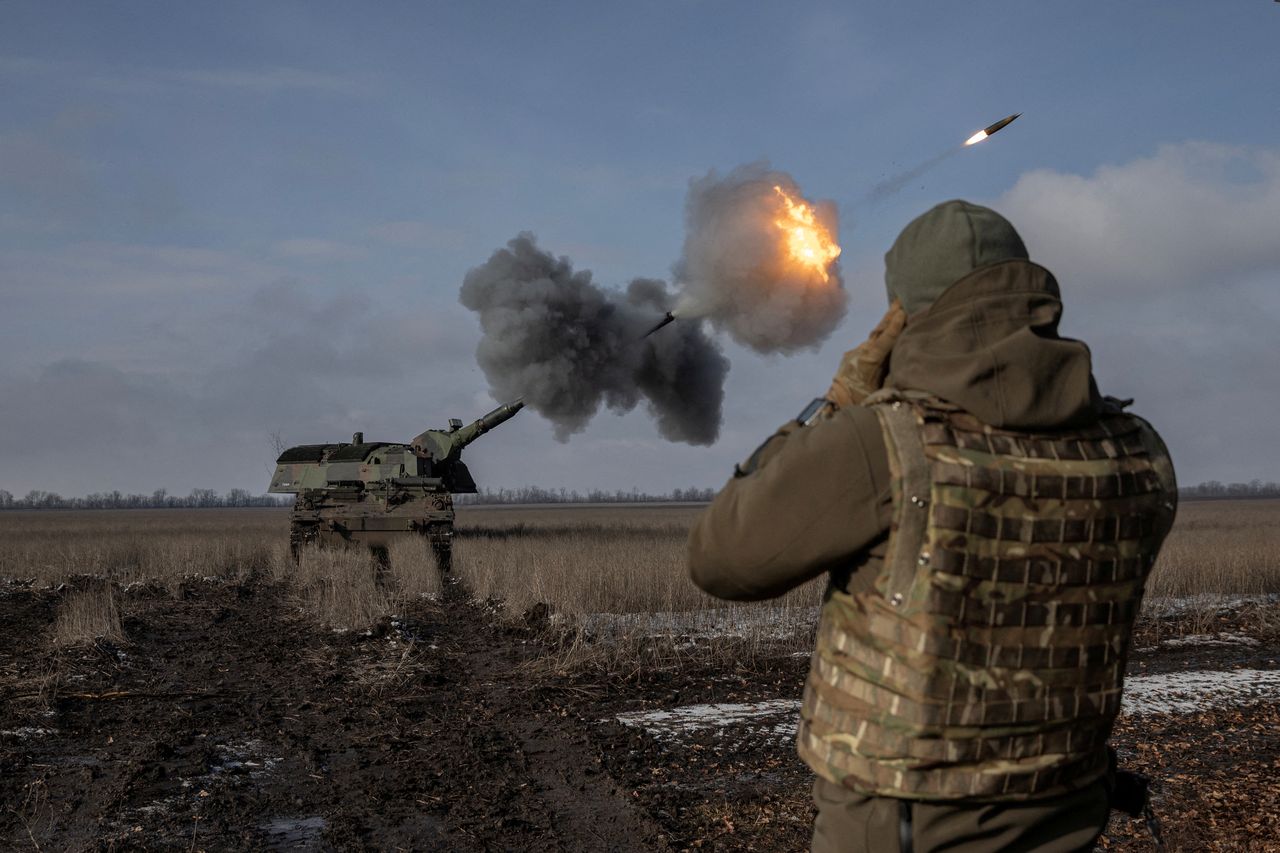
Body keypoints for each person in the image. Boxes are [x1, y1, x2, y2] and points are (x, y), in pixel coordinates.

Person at [687, 200, 1178, 853]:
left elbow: (721, 556)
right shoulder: (1135, 450)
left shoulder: (881, 442)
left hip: (908, 829)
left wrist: (835, 404)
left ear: (902, 317)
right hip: (1066, 813)